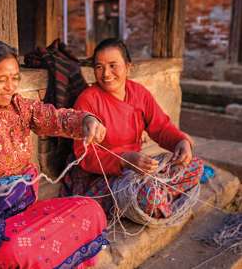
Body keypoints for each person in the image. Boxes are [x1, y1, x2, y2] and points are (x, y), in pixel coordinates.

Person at [0, 39, 109, 269]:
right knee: (13, 250)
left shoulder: (21, 107)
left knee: (92, 210)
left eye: (15, 78)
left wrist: (86, 120)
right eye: (1, 80)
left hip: (27, 214)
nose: (10, 87)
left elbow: (55, 117)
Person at [61, 38, 203, 220]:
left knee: (194, 165)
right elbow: (85, 156)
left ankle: (157, 198)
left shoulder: (139, 93)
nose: (106, 74)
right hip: (104, 176)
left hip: (137, 169)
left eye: (113, 65)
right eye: (99, 67)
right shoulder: (88, 100)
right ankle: (158, 199)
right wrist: (124, 160)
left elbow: (161, 127)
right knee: (149, 196)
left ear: (128, 67)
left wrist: (180, 141)